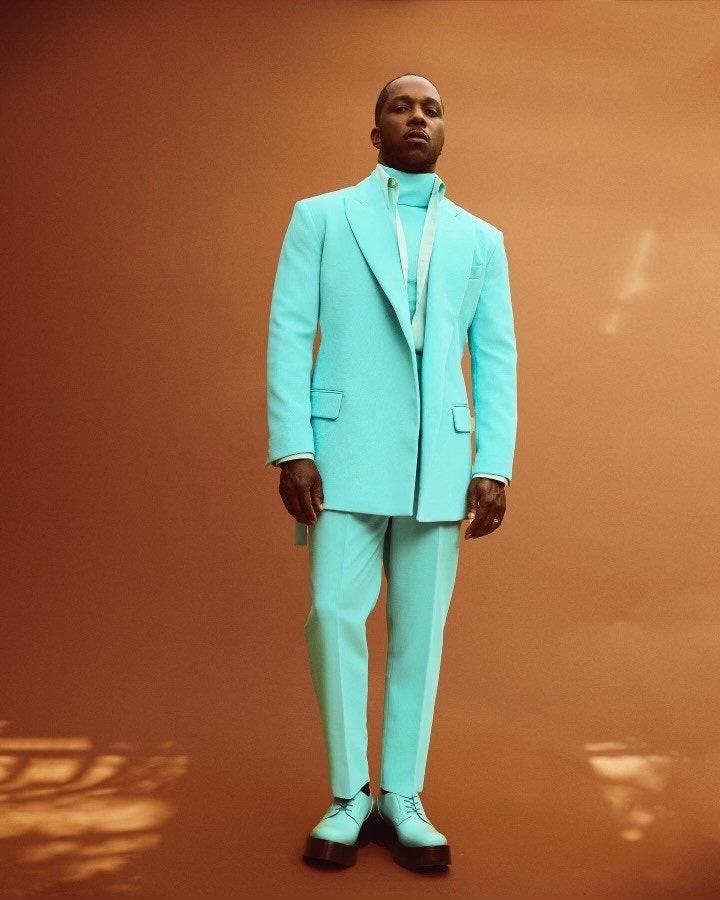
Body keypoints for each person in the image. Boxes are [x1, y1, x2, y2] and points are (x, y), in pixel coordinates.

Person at [265, 72, 517, 871]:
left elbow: (495, 358)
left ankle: (402, 796)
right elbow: (289, 331)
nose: (417, 117)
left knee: (420, 635)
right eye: (400, 107)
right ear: (375, 131)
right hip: (341, 458)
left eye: (431, 109)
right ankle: (349, 794)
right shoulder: (320, 217)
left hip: (440, 463)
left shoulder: (482, 240)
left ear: (443, 132)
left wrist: (494, 463)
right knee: (333, 616)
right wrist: (293, 447)